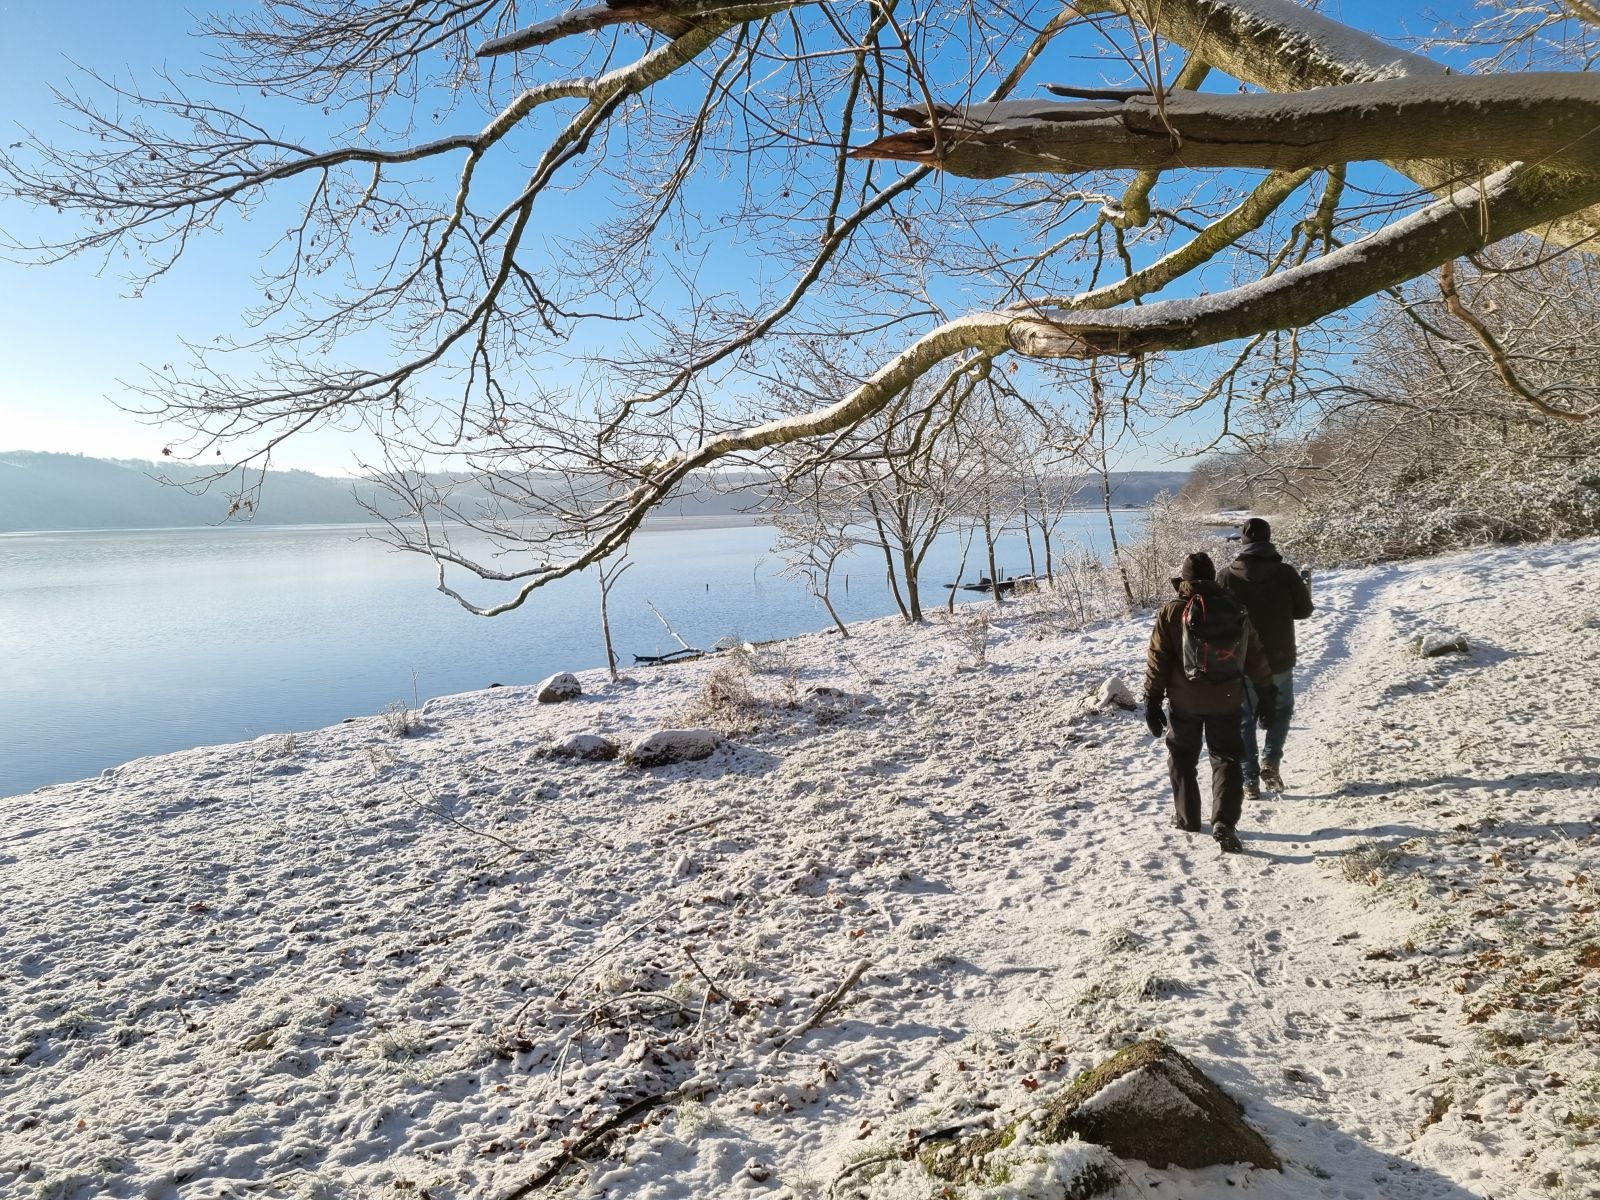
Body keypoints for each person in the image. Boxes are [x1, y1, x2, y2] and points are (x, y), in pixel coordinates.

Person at [1143, 552, 1277, 853]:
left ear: (1185, 579)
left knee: (1181, 756)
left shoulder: (1171, 612)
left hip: (1184, 700)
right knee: (1226, 758)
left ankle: (1188, 818)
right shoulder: (1234, 608)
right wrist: (1267, 695)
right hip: (1227, 698)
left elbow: (1158, 660)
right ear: (1214, 576)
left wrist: (1152, 699)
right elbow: (1255, 655)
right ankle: (1224, 822)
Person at [1219, 517, 1314, 796]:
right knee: (1281, 710)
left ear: (1244, 542)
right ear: (1269, 539)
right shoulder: (1285, 573)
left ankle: (1249, 781)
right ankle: (1271, 760)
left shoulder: (1226, 575)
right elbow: (1304, 610)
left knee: (1244, 718)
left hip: (1241, 658)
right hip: (1279, 656)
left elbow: (1218, 618)